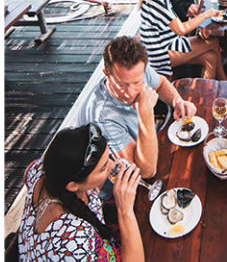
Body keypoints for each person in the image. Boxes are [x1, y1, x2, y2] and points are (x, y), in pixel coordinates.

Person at [18, 123, 147, 262]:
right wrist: (125, 210)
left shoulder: (40, 170)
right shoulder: (76, 239)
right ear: (72, 186)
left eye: (109, 158)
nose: (114, 166)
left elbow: (28, 172)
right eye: (104, 167)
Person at [83, 36, 197, 179]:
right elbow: (145, 172)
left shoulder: (136, 70)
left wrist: (178, 101)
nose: (130, 92)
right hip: (122, 181)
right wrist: (146, 113)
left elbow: (160, 83)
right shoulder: (103, 118)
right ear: (107, 74)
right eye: (122, 85)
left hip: (150, 145)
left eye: (137, 82)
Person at [138, 0, 227, 80]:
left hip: (161, 46)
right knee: (213, 41)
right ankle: (225, 81)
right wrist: (206, 14)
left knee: (211, 57)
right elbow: (181, 30)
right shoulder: (158, 0)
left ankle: (208, 91)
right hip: (161, 54)